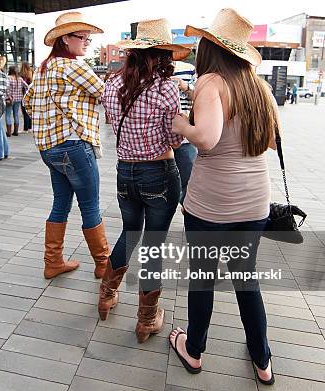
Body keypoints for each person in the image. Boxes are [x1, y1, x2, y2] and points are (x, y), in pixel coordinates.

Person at [169, 9, 278, 385]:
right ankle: (262, 360)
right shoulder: (258, 86)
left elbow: (208, 139)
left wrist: (181, 123)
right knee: (246, 280)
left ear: (208, 47)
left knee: (202, 279)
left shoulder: (211, 82)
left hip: (212, 204)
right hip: (254, 201)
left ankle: (194, 350)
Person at [101, 18, 189, 343]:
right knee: (153, 246)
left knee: (130, 233)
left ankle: (107, 294)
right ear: (162, 53)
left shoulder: (111, 84)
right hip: (158, 174)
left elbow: (113, 123)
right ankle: (147, 319)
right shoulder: (166, 88)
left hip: (125, 171)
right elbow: (175, 140)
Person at [23, 11, 110, 280]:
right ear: (64, 39)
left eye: (88, 38)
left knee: (61, 202)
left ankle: (53, 262)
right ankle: (104, 265)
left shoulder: (44, 68)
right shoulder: (74, 67)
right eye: (81, 37)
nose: (87, 42)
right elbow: (106, 94)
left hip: (49, 149)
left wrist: (50, 122)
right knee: (90, 206)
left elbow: (27, 102)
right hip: (74, 145)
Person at [172, 60, 197, 205]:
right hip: (157, 138)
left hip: (184, 138)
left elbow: (200, 97)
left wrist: (185, 86)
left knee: (189, 180)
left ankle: (188, 209)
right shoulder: (150, 67)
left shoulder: (188, 69)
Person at [6, 66, 28, 136]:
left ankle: (9, 132)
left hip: (10, 99)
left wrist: (9, 96)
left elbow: (7, 88)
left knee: (8, 115)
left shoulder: (8, 78)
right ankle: (16, 131)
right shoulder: (20, 79)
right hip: (19, 99)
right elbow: (27, 86)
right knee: (16, 114)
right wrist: (24, 94)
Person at [20, 61, 33, 132]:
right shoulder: (31, 73)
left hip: (23, 95)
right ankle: (30, 127)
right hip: (31, 95)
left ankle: (25, 128)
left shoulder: (22, 75)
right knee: (29, 110)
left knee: (25, 112)